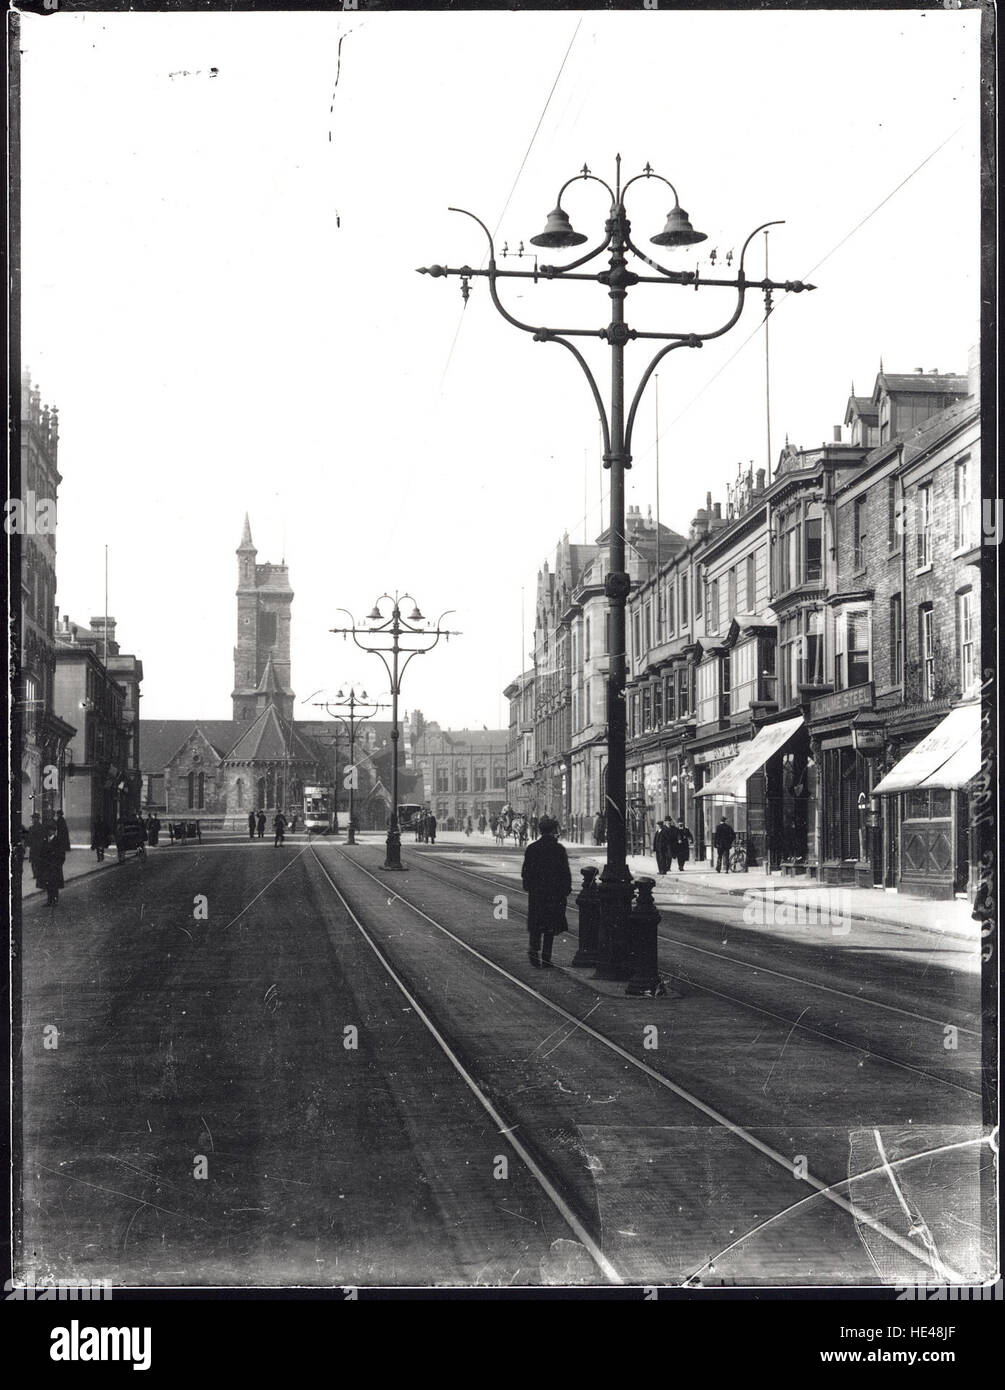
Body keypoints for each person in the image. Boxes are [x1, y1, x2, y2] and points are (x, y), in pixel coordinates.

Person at [521, 815, 571, 968]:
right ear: (553, 831)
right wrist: (565, 890)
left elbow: (526, 872)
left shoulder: (532, 848)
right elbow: (565, 872)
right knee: (550, 926)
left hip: (537, 893)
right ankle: (546, 958)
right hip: (554, 894)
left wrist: (529, 887)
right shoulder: (559, 849)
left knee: (536, 925)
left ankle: (533, 951)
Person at [26, 812, 46, 886]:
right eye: (32, 818)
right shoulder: (31, 827)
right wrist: (28, 843)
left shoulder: (41, 827)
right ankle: (35, 874)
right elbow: (28, 837)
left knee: (37, 862)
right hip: (33, 847)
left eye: (34, 818)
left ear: (37, 819)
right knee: (33, 862)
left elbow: (43, 837)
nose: (33, 820)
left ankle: (38, 874)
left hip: (39, 848)